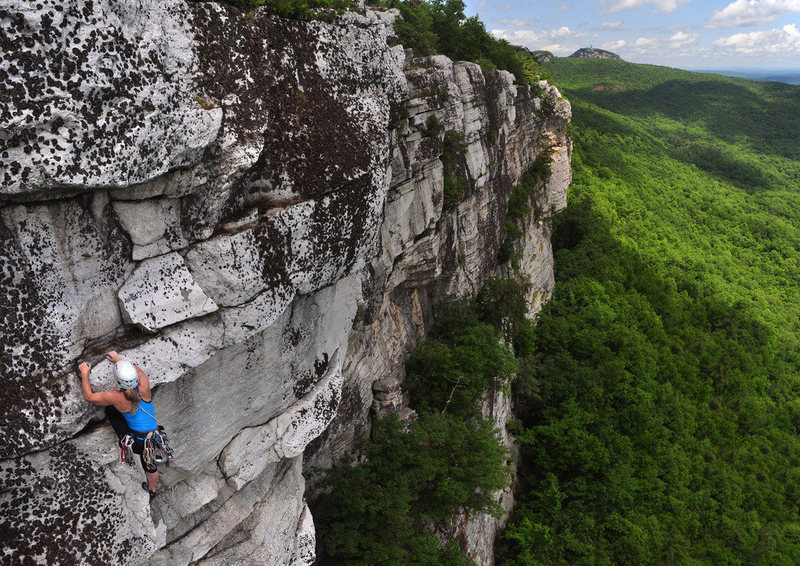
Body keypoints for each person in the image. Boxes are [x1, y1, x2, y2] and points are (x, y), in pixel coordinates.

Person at [79, 351, 162, 499]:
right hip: (154, 438)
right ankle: (152, 490)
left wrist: (84, 373)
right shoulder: (144, 387)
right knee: (150, 466)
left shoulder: (116, 397)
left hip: (136, 442)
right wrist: (119, 360)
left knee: (111, 409)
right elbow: (136, 369)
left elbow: (89, 397)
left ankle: (119, 428)